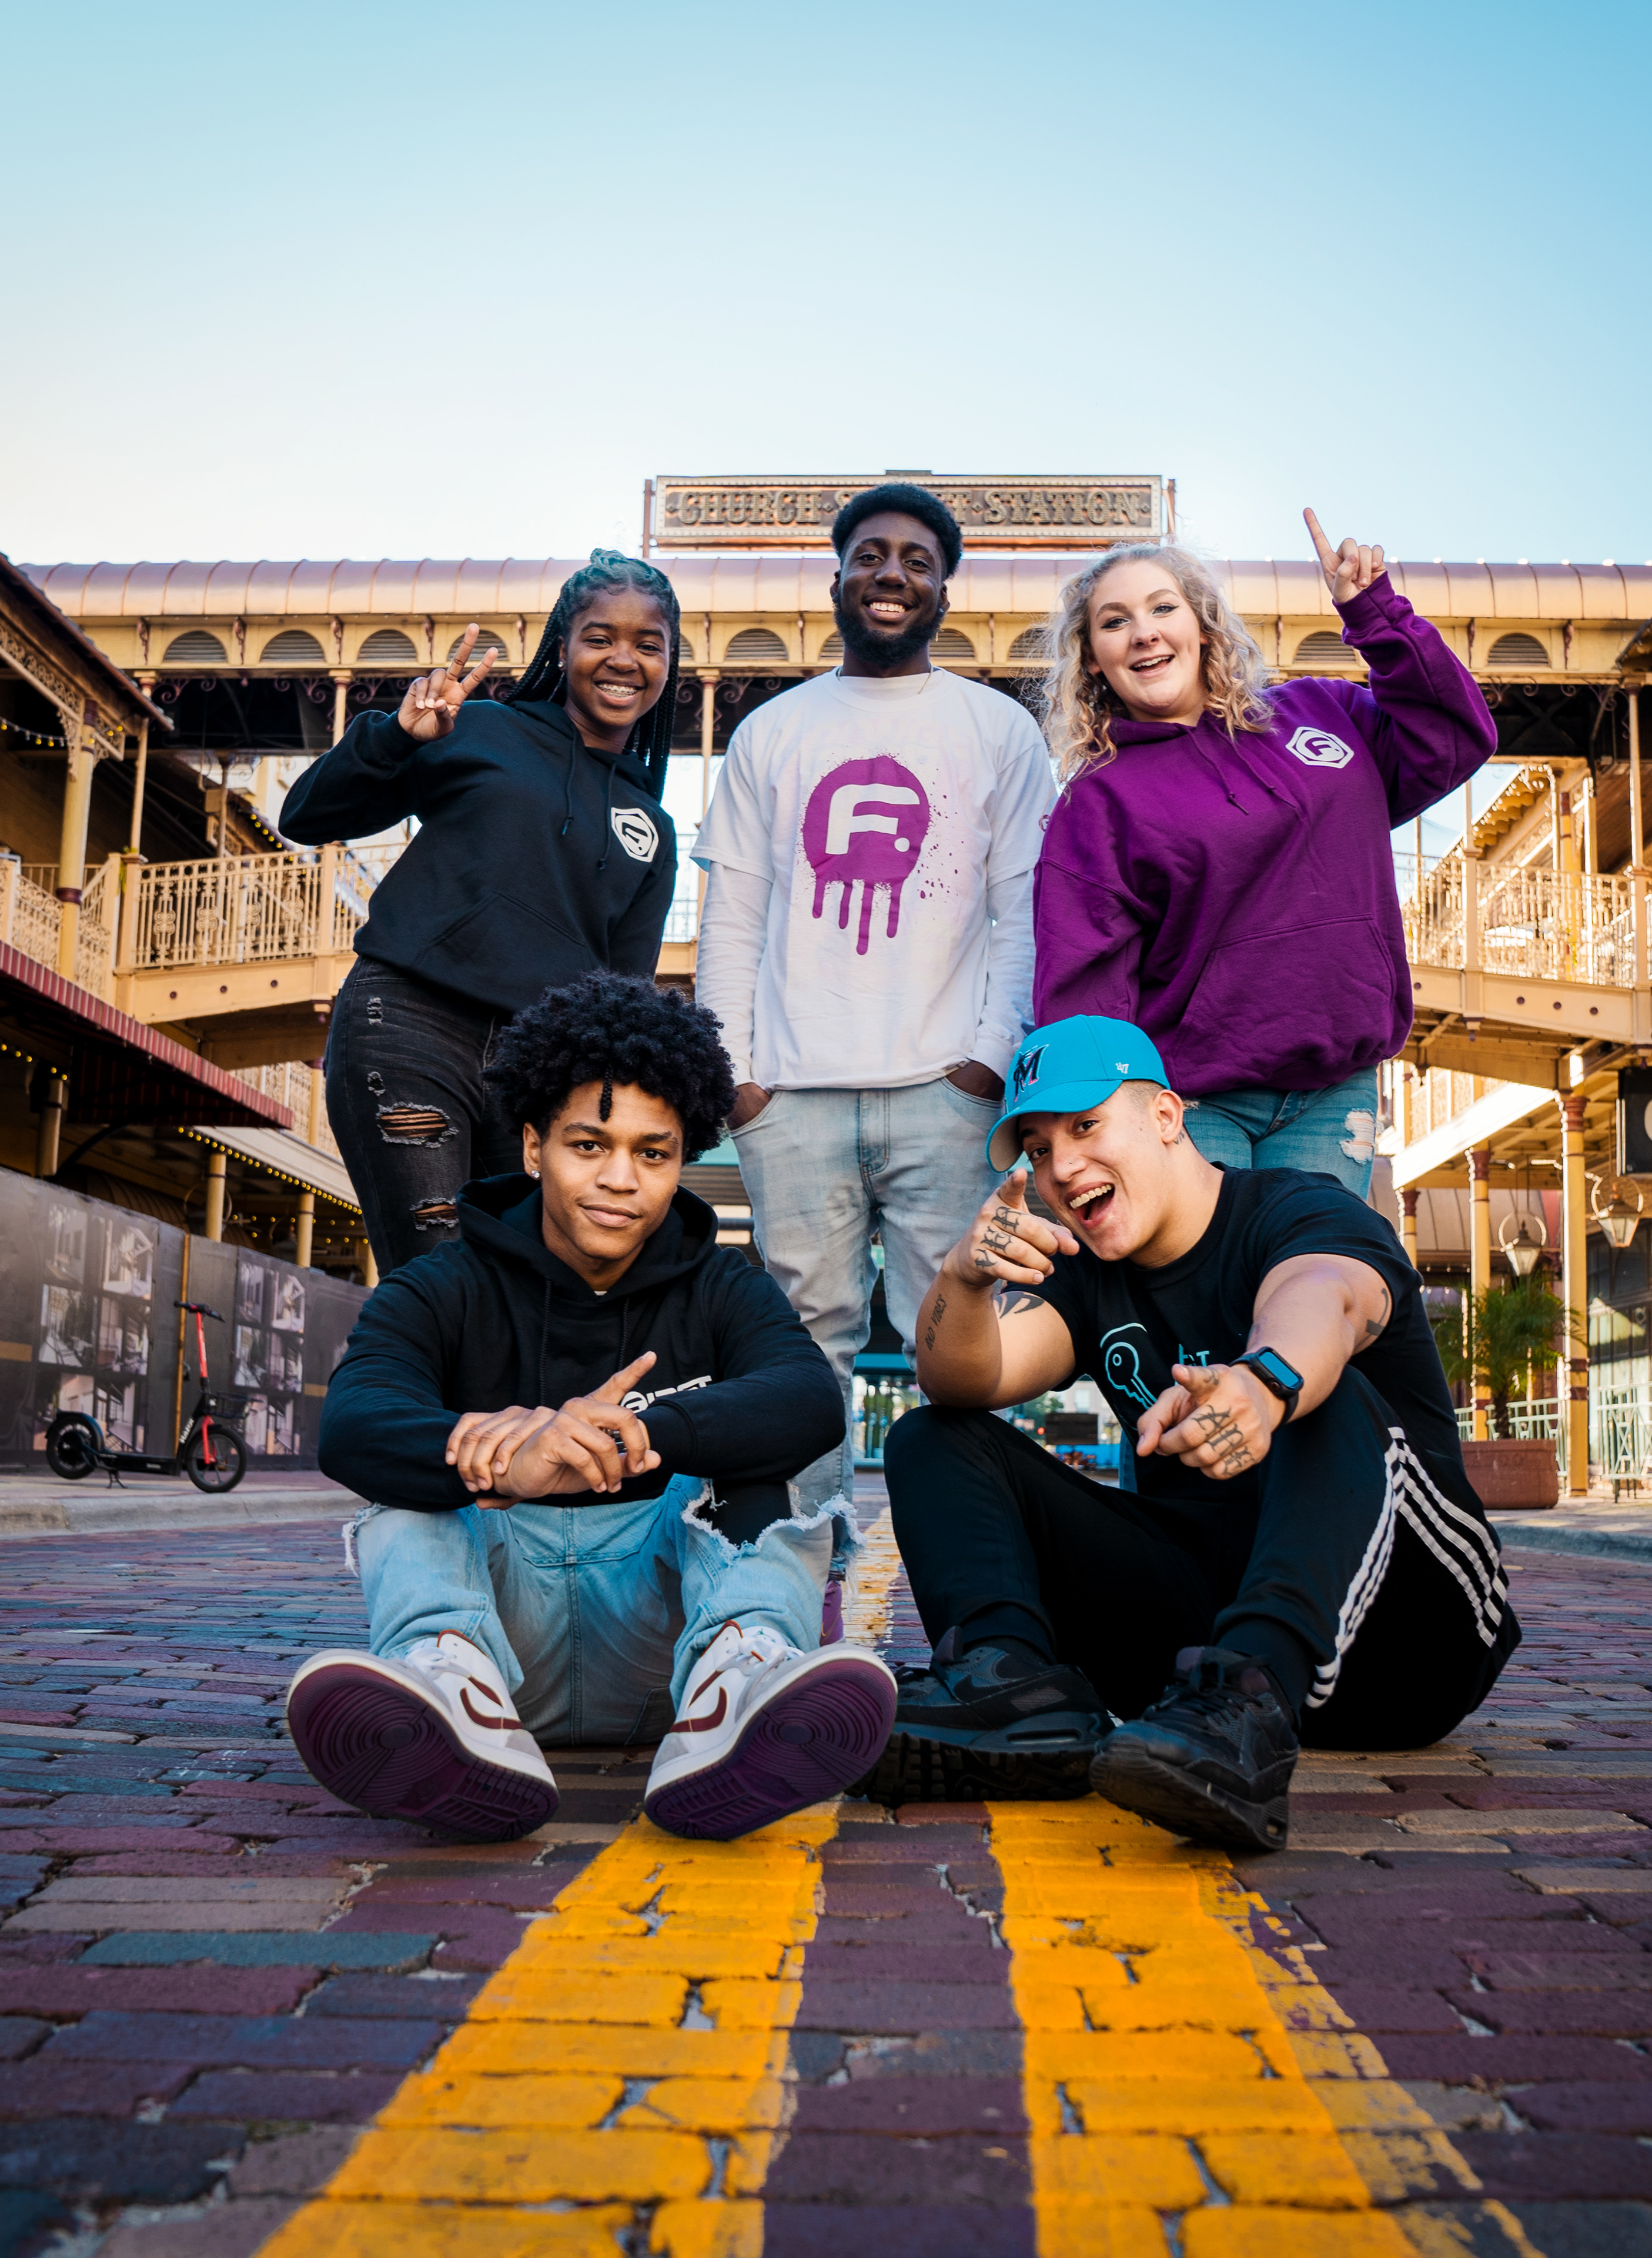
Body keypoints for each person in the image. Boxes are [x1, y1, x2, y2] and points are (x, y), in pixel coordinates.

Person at [874, 1014, 1519, 1851]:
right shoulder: (1089, 1276)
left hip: (1407, 1643)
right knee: (933, 1436)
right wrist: (963, 1278)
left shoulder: (1297, 1209)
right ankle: (1013, 1691)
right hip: (1196, 1662)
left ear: (1167, 1116)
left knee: (1323, 1389)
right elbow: (968, 1377)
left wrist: (1264, 1383)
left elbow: (1326, 1298)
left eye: (1085, 1126)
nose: (1060, 1168)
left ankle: (1252, 1692)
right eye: (1037, 1148)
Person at [285, 973, 893, 1843]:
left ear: (681, 1164)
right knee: (415, 1486)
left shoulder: (723, 1285)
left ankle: (736, 1689)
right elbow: (352, 1424)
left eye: (653, 1154)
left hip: (672, 1657)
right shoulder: (440, 1285)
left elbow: (807, 1403)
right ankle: (451, 1694)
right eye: (589, 1145)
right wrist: (505, 1458)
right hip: (501, 1647)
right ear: (534, 1147)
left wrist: (644, 1433)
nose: (619, 1180)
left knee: (759, 1469)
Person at [694, 482, 1058, 1509]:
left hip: (948, 1096)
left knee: (970, 1343)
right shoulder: (772, 731)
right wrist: (738, 1080)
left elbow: (1024, 914)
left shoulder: (998, 730)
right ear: (838, 579)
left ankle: (982, 1583)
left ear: (945, 589)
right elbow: (733, 921)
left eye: (916, 560)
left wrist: (986, 1062)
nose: (891, 573)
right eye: (870, 555)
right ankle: (794, 1574)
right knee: (801, 1353)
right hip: (791, 1099)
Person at [1029, 515, 1496, 1194]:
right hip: (1192, 1100)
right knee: (1215, 1267)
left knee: (1314, 1258)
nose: (1144, 632)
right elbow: (1083, 987)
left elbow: (1452, 738)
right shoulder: (1098, 801)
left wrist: (1375, 614)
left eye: (1163, 608)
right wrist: (1104, 1122)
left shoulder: (1323, 711)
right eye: (1115, 621)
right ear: (1093, 658)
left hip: (1335, 1088)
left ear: (1203, 626)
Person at [281, 550, 683, 1275]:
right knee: (437, 1268)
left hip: (534, 1073)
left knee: (519, 1288)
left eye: (647, 645)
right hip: (408, 1028)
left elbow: (622, 999)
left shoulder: (652, 826)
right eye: (599, 638)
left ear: (668, 663)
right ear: (561, 649)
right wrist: (395, 735)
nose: (623, 660)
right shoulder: (479, 727)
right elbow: (307, 816)